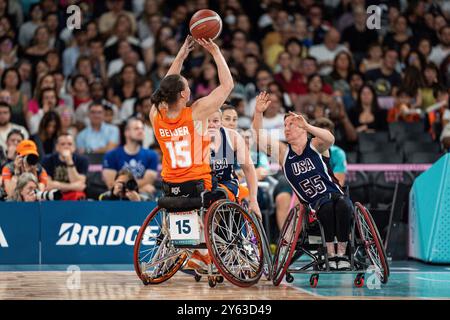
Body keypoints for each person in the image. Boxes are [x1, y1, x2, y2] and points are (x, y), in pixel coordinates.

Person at [150, 36, 233, 271]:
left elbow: (165, 85)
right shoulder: (195, 113)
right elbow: (227, 86)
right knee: (224, 193)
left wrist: (181, 55)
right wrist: (216, 52)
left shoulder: (156, 116)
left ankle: (195, 250)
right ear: (184, 95)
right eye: (187, 86)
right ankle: (204, 250)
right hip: (197, 182)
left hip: (170, 184)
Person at [253, 92, 353, 270]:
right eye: (285, 125)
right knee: (327, 206)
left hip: (334, 194)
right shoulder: (284, 152)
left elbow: (330, 138)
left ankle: (342, 253)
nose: (287, 128)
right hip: (312, 205)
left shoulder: (315, 145)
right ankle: (331, 253)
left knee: (341, 204)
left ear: (303, 128)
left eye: (292, 124)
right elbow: (259, 139)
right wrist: (258, 113)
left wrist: (307, 125)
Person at [207, 109, 261, 217]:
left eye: (215, 121)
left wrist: (253, 200)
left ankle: (209, 231)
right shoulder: (193, 137)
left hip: (227, 183)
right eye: (207, 121)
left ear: (221, 122)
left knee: (222, 195)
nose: (211, 125)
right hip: (204, 183)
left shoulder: (232, 137)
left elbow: (249, 169)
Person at [102, 117, 159, 196]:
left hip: (141, 200)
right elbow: (111, 184)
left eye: (142, 128)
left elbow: (148, 181)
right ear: (126, 132)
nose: (141, 131)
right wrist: (139, 189)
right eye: (136, 128)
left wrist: (121, 186)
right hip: (117, 199)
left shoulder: (152, 155)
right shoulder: (111, 155)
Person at [42, 134, 88, 201]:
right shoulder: (48, 160)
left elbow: (81, 185)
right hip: (54, 194)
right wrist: (73, 186)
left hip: (73, 194)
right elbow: (47, 185)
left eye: (69, 144)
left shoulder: (82, 160)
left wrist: (69, 161)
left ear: (74, 147)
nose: (66, 146)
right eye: (63, 144)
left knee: (79, 195)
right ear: (57, 147)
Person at [313, 117, 347, 187]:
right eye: (321, 135)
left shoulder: (338, 153)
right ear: (314, 136)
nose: (324, 139)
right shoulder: (306, 151)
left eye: (326, 136)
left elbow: (339, 183)